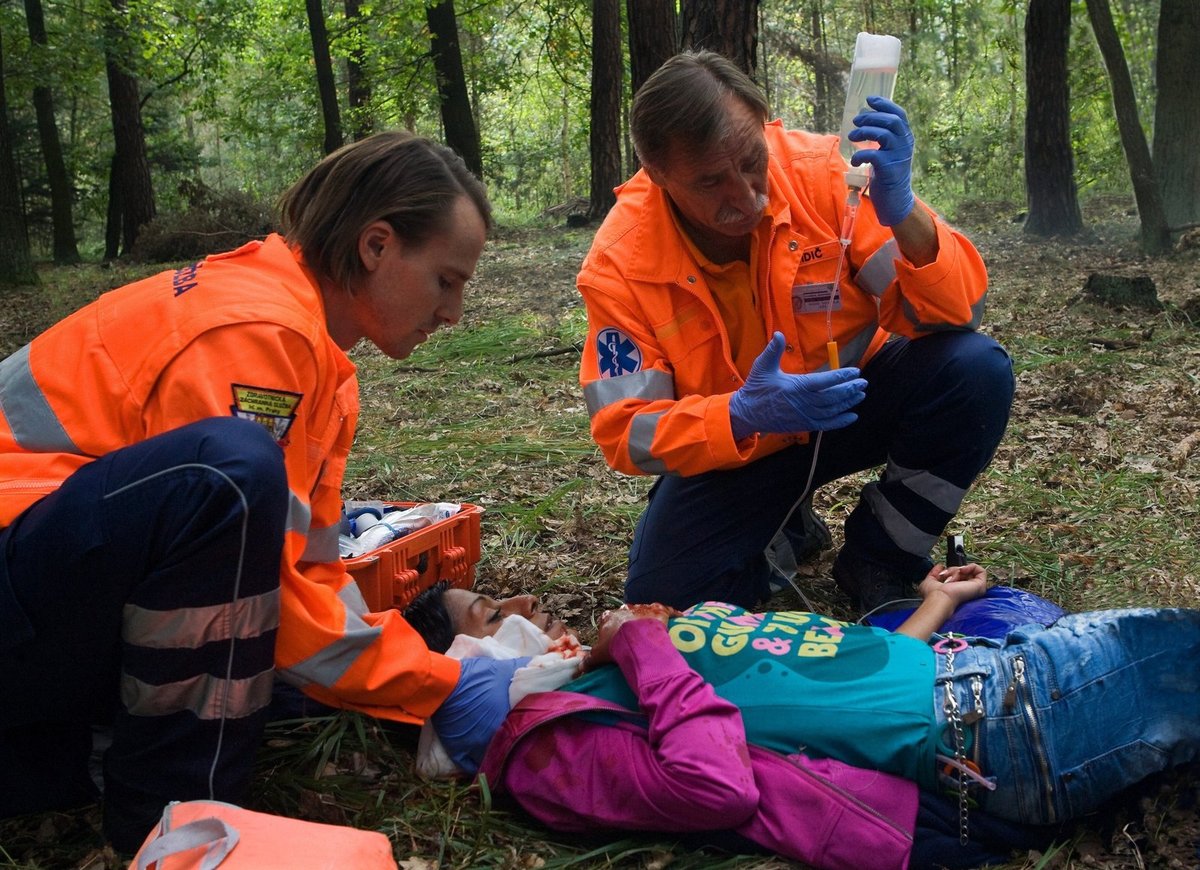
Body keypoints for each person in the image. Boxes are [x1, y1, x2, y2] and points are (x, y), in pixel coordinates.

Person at [0, 131, 523, 851]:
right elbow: (257, 577)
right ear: (376, 246)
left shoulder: (309, 352)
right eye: (445, 280)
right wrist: (437, 683)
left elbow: (305, 573)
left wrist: (424, 650)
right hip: (20, 579)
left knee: (269, 660)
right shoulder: (256, 333)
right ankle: (176, 825)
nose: (453, 312)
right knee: (230, 472)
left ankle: (74, 750)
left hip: (47, 584)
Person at [577, 50, 1015, 614]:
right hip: (735, 446)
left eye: (750, 160)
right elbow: (627, 432)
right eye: (710, 181)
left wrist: (904, 212)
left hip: (851, 400)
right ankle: (785, 527)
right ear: (657, 175)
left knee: (975, 371)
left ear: (763, 126)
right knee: (669, 599)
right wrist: (739, 413)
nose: (743, 195)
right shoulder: (621, 263)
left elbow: (955, 315)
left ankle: (881, 556)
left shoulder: (828, 179)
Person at [403, 575, 1200, 870]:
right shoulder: (551, 741)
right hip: (999, 725)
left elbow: (828, 683)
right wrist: (645, 646)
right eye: (490, 618)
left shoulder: (607, 674)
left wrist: (936, 604)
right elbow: (711, 784)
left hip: (989, 674)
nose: (525, 611)